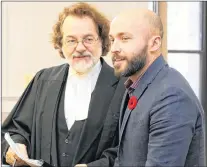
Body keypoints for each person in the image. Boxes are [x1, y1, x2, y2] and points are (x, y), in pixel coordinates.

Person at [2, 2, 126, 167]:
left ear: (102, 41)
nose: (80, 47)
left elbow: (131, 147)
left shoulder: (124, 86)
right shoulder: (43, 80)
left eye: (88, 39)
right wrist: (15, 147)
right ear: (60, 44)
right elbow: (15, 130)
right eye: (71, 40)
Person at [109, 8, 206, 167]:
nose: (114, 48)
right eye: (112, 40)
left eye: (124, 38)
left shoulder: (172, 97)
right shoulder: (134, 86)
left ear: (154, 43)